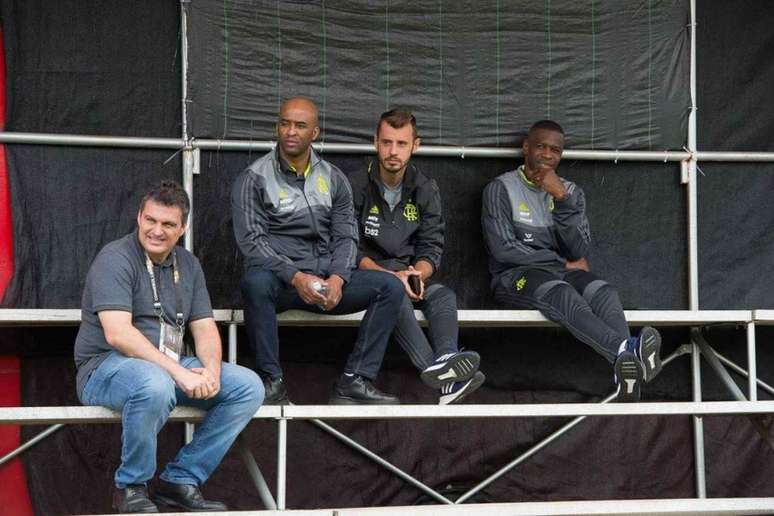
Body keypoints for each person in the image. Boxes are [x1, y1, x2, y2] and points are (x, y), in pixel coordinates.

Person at [74, 181, 264, 513]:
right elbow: (118, 334)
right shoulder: (115, 257)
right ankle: (130, 488)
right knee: (155, 383)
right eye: (151, 220)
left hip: (167, 368)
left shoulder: (188, 265)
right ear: (139, 217)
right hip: (106, 367)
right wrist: (179, 372)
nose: (156, 231)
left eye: (168, 224)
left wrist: (212, 372)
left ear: (183, 228)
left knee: (248, 386)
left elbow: (203, 328)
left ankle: (180, 480)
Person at [232, 96, 404, 405]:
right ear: (277, 128)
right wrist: (296, 277)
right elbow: (252, 243)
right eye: (285, 123)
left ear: (315, 133)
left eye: (300, 125)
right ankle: (272, 382)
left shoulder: (333, 178)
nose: (291, 132)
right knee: (254, 282)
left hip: (327, 283)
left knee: (390, 286)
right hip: (283, 283)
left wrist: (338, 277)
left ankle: (355, 381)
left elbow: (347, 236)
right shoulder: (253, 177)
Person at [481, 120, 663, 402]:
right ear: (526, 147)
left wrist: (562, 199)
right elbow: (503, 250)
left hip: (560, 271)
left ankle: (625, 370)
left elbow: (576, 248)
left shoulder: (570, 192)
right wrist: (560, 263)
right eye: (540, 147)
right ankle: (627, 349)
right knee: (562, 293)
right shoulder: (500, 188)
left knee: (604, 291)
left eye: (555, 150)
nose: (547, 155)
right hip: (514, 277)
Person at [349, 109, 485, 404]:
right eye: (386, 143)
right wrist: (389, 277)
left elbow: (431, 245)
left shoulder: (425, 187)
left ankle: (448, 358)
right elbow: (348, 246)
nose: (393, 151)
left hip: (407, 274)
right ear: (375, 142)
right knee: (393, 291)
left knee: (443, 295)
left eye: (401, 143)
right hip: (366, 278)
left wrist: (418, 274)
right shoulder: (355, 184)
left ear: (416, 145)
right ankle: (440, 376)